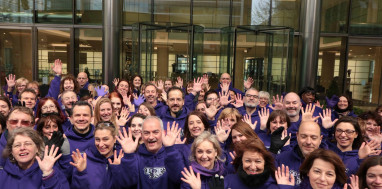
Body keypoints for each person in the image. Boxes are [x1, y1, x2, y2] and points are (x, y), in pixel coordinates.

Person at [117, 116, 185, 189]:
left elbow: (179, 179)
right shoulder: (135, 158)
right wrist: (129, 156)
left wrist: (170, 149)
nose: (151, 137)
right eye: (146, 133)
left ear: (163, 133)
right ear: (142, 135)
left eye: (155, 132)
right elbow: (126, 184)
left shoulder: (173, 154)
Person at [70, 121, 133, 189]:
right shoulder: (84, 160)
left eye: (105, 139)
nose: (100, 144)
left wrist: (117, 170)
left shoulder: (123, 158)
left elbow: (129, 185)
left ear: (114, 139)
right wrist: (81, 174)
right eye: (97, 139)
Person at [0, 127, 69, 188]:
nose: (22, 148)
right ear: (11, 151)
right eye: (17, 145)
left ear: (37, 148)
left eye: (27, 144)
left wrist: (48, 175)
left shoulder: (53, 172)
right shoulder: (2, 175)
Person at [276, 121, 324, 186]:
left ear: (320, 139)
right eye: (304, 137)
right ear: (297, 136)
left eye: (313, 138)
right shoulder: (281, 159)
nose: (308, 142)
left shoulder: (329, 162)